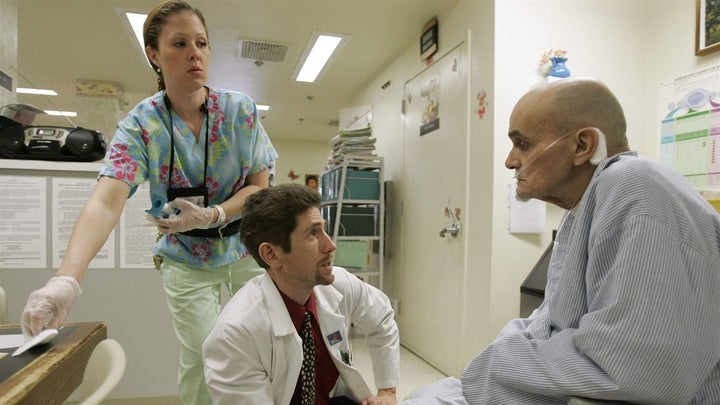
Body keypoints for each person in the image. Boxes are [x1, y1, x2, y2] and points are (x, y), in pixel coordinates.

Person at [402, 77, 720, 404]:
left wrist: (496, 365)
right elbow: (550, 321)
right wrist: (496, 360)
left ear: (582, 146)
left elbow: (632, 367)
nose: (510, 161)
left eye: (523, 144)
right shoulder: (583, 205)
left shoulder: (635, 188)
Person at [20, 1, 278, 404]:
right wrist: (66, 280)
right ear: (154, 55)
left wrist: (214, 214)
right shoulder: (142, 125)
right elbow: (105, 203)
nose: (195, 52)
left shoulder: (238, 111)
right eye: (179, 43)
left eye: (202, 42)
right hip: (186, 258)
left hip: (245, 248)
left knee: (263, 348)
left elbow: (259, 189)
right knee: (204, 352)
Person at [203, 183, 400, 405]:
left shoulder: (339, 284)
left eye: (324, 229)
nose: (331, 245)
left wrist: (387, 391)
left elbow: (382, 318)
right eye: (312, 234)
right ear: (271, 254)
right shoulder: (235, 336)